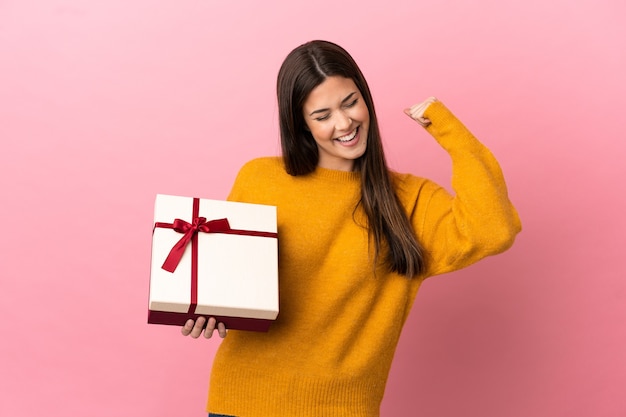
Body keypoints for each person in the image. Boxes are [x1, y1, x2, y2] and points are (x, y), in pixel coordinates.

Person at [182, 40, 522, 417]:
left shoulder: (411, 200)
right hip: (242, 400)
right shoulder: (260, 179)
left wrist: (446, 128)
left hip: (343, 408)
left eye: (350, 102)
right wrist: (208, 308)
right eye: (322, 115)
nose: (344, 124)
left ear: (365, 98)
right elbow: (227, 279)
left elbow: (496, 229)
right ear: (301, 124)